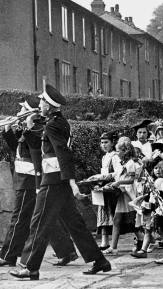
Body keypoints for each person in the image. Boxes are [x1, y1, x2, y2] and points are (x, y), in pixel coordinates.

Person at [10, 85, 110, 280]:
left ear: (49, 105)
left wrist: (72, 182)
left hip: (54, 181)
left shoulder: (53, 125)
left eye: (42, 102)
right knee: (75, 224)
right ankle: (99, 261)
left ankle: (30, 267)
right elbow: (43, 147)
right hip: (58, 181)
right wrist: (29, 128)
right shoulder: (59, 123)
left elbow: (63, 153)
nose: (39, 105)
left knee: (38, 222)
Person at [0, 96, 77, 268]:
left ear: (31, 111)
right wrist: (8, 129)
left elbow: (37, 157)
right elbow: (18, 148)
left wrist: (38, 184)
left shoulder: (36, 128)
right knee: (42, 219)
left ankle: (8, 255)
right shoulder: (29, 128)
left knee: (20, 219)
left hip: (30, 181)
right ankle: (66, 250)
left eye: (23, 109)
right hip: (25, 180)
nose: (19, 112)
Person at [103, 138, 144, 256]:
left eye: (118, 151)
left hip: (129, 194)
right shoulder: (123, 163)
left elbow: (131, 179)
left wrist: (119, 183)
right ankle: (113, 246)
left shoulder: (131, 163)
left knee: (133, 220)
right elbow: (116, 174)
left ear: (125, 151)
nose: (116, 153)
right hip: (122, 194)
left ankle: (145, 240)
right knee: (117, 219)